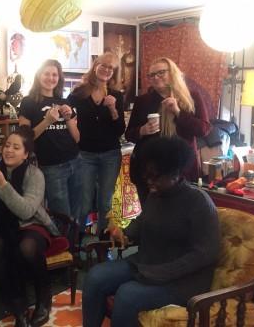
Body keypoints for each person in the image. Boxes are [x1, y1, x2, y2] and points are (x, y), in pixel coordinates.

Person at [81, 136, 220, 327]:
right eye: (147, 175)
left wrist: (161, 273)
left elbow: (205, 254)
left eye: (155, 177)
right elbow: (143, 221)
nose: (148, 181)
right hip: (148, 264)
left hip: (184, 280)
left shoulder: (199, 203)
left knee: (128, 295)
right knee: (95, 277)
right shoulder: (157, 195)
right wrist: (125, 233)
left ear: (175, 174)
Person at [0, 126, 60, 327]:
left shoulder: (35, 175)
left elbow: (26, 211)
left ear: (26, 154)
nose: (9, 150)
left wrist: (3, 186)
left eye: (16, 147)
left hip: (30, 225)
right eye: (7, 145)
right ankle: (19, 307)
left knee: (28, 246)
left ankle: (44, 298)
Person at [125, 57, 211, 204]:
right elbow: (130, 135)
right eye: (151, 75)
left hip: (181, 168)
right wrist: (142, 130)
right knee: (152, 213)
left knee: (181, 213)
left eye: (161, 72)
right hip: (150, 170)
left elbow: (203, 129)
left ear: (173, 73)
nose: (155, 77)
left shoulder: (192, 97)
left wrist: (178, 112)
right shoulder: (143, 101)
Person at [67, 52, 125, 236]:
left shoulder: (116, 95)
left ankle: (103, 242)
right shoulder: (79, 93)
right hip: (85, 154)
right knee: (83, 200)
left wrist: (113, 108)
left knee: (105, 202)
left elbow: (120, 130)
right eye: (103, 65)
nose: (106, 70)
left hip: (110, 154)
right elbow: (65, 115)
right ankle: (78, 241)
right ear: (95, 65)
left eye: (111, 68)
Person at [19, 59, 82, 225]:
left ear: (59, 78)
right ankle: (63, 248)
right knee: (62, 215)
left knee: (77, 212)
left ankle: (73, 247)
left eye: (55, 74)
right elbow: (24, 139)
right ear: (39, 75)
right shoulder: (28, 102)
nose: (50, 78)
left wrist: (68, 118)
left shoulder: (64, 102)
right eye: (47, 73)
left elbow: (77, 138)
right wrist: (47, 121)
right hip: (51, 167)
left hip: (75, 161)